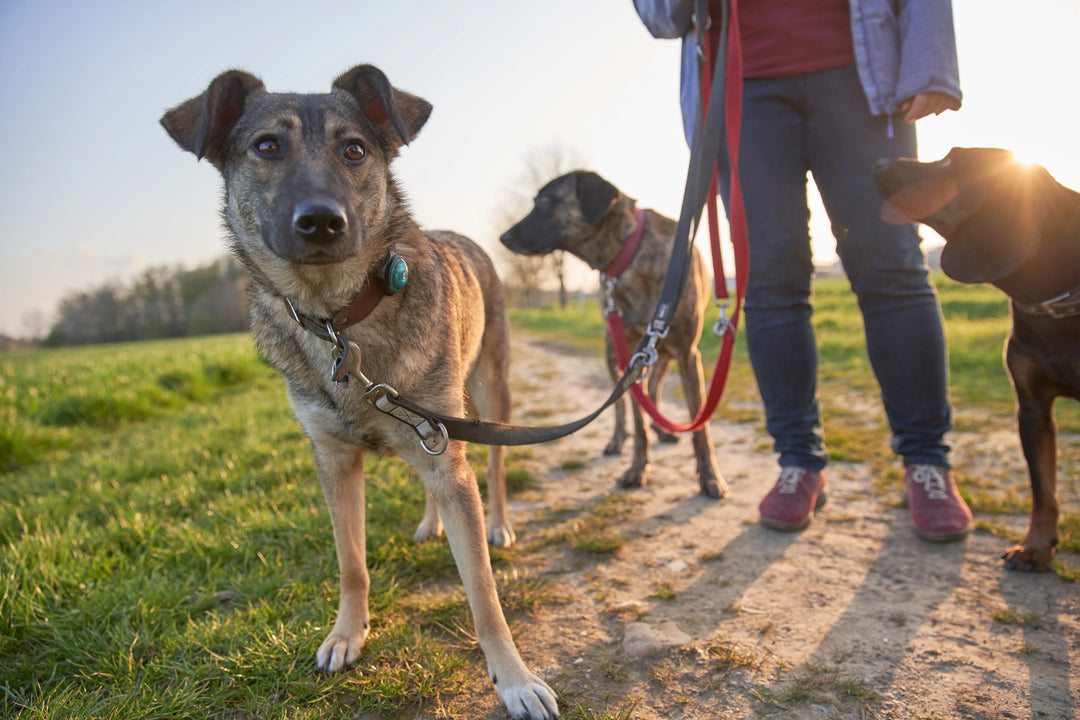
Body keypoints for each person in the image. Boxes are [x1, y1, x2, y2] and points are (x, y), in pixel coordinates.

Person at [634, 0, 973, 541]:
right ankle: (798, 461)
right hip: (742, 88)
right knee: (770, 283)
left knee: (894, 268)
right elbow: (662, 17)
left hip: (862, 75)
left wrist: (929, 64)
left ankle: (928, 463)